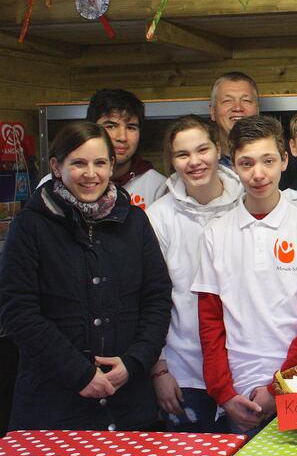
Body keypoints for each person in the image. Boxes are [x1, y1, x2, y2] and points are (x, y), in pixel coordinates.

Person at [0, 121, 172, 430]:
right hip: (53, 404)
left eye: (100, 163)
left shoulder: (134, 221)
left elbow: (157, 298)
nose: (91, 174)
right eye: (78, 163)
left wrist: (134, 362)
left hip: (129, 403)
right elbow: (17, 312)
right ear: (56, 166)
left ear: (111, 165)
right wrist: (78, 373)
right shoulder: (30, 226)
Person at [193, 115, 297, 433]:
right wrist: (223, 393)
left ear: (284, 160)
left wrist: (277, 390)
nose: (258, 174)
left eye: (268, 161)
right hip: (239, 395)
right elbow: (210, 323)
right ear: (233, 165)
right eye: (246, 163)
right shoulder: (215, 233)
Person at [146, 115, 243, 432]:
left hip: (246, 368)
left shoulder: (247, 203)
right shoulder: (158, 216)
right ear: (171, 161)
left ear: (219, 149)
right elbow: (148, 296)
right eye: (182, 154)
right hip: (183, 371)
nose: (195, 162)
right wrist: (159, 369)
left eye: (202, 150)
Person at [37, 89, 168, 209]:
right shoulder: (51, 184)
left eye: (131, 127)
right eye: (111, 126)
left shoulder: (158, 186)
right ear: (91, 128)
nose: (122, 137)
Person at [209, 71, 260, 167]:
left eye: (246, 100)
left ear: (257, 110)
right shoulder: (202, 162)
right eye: (227, 101)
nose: (237, 108)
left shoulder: (278, 157)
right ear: (212, 111)